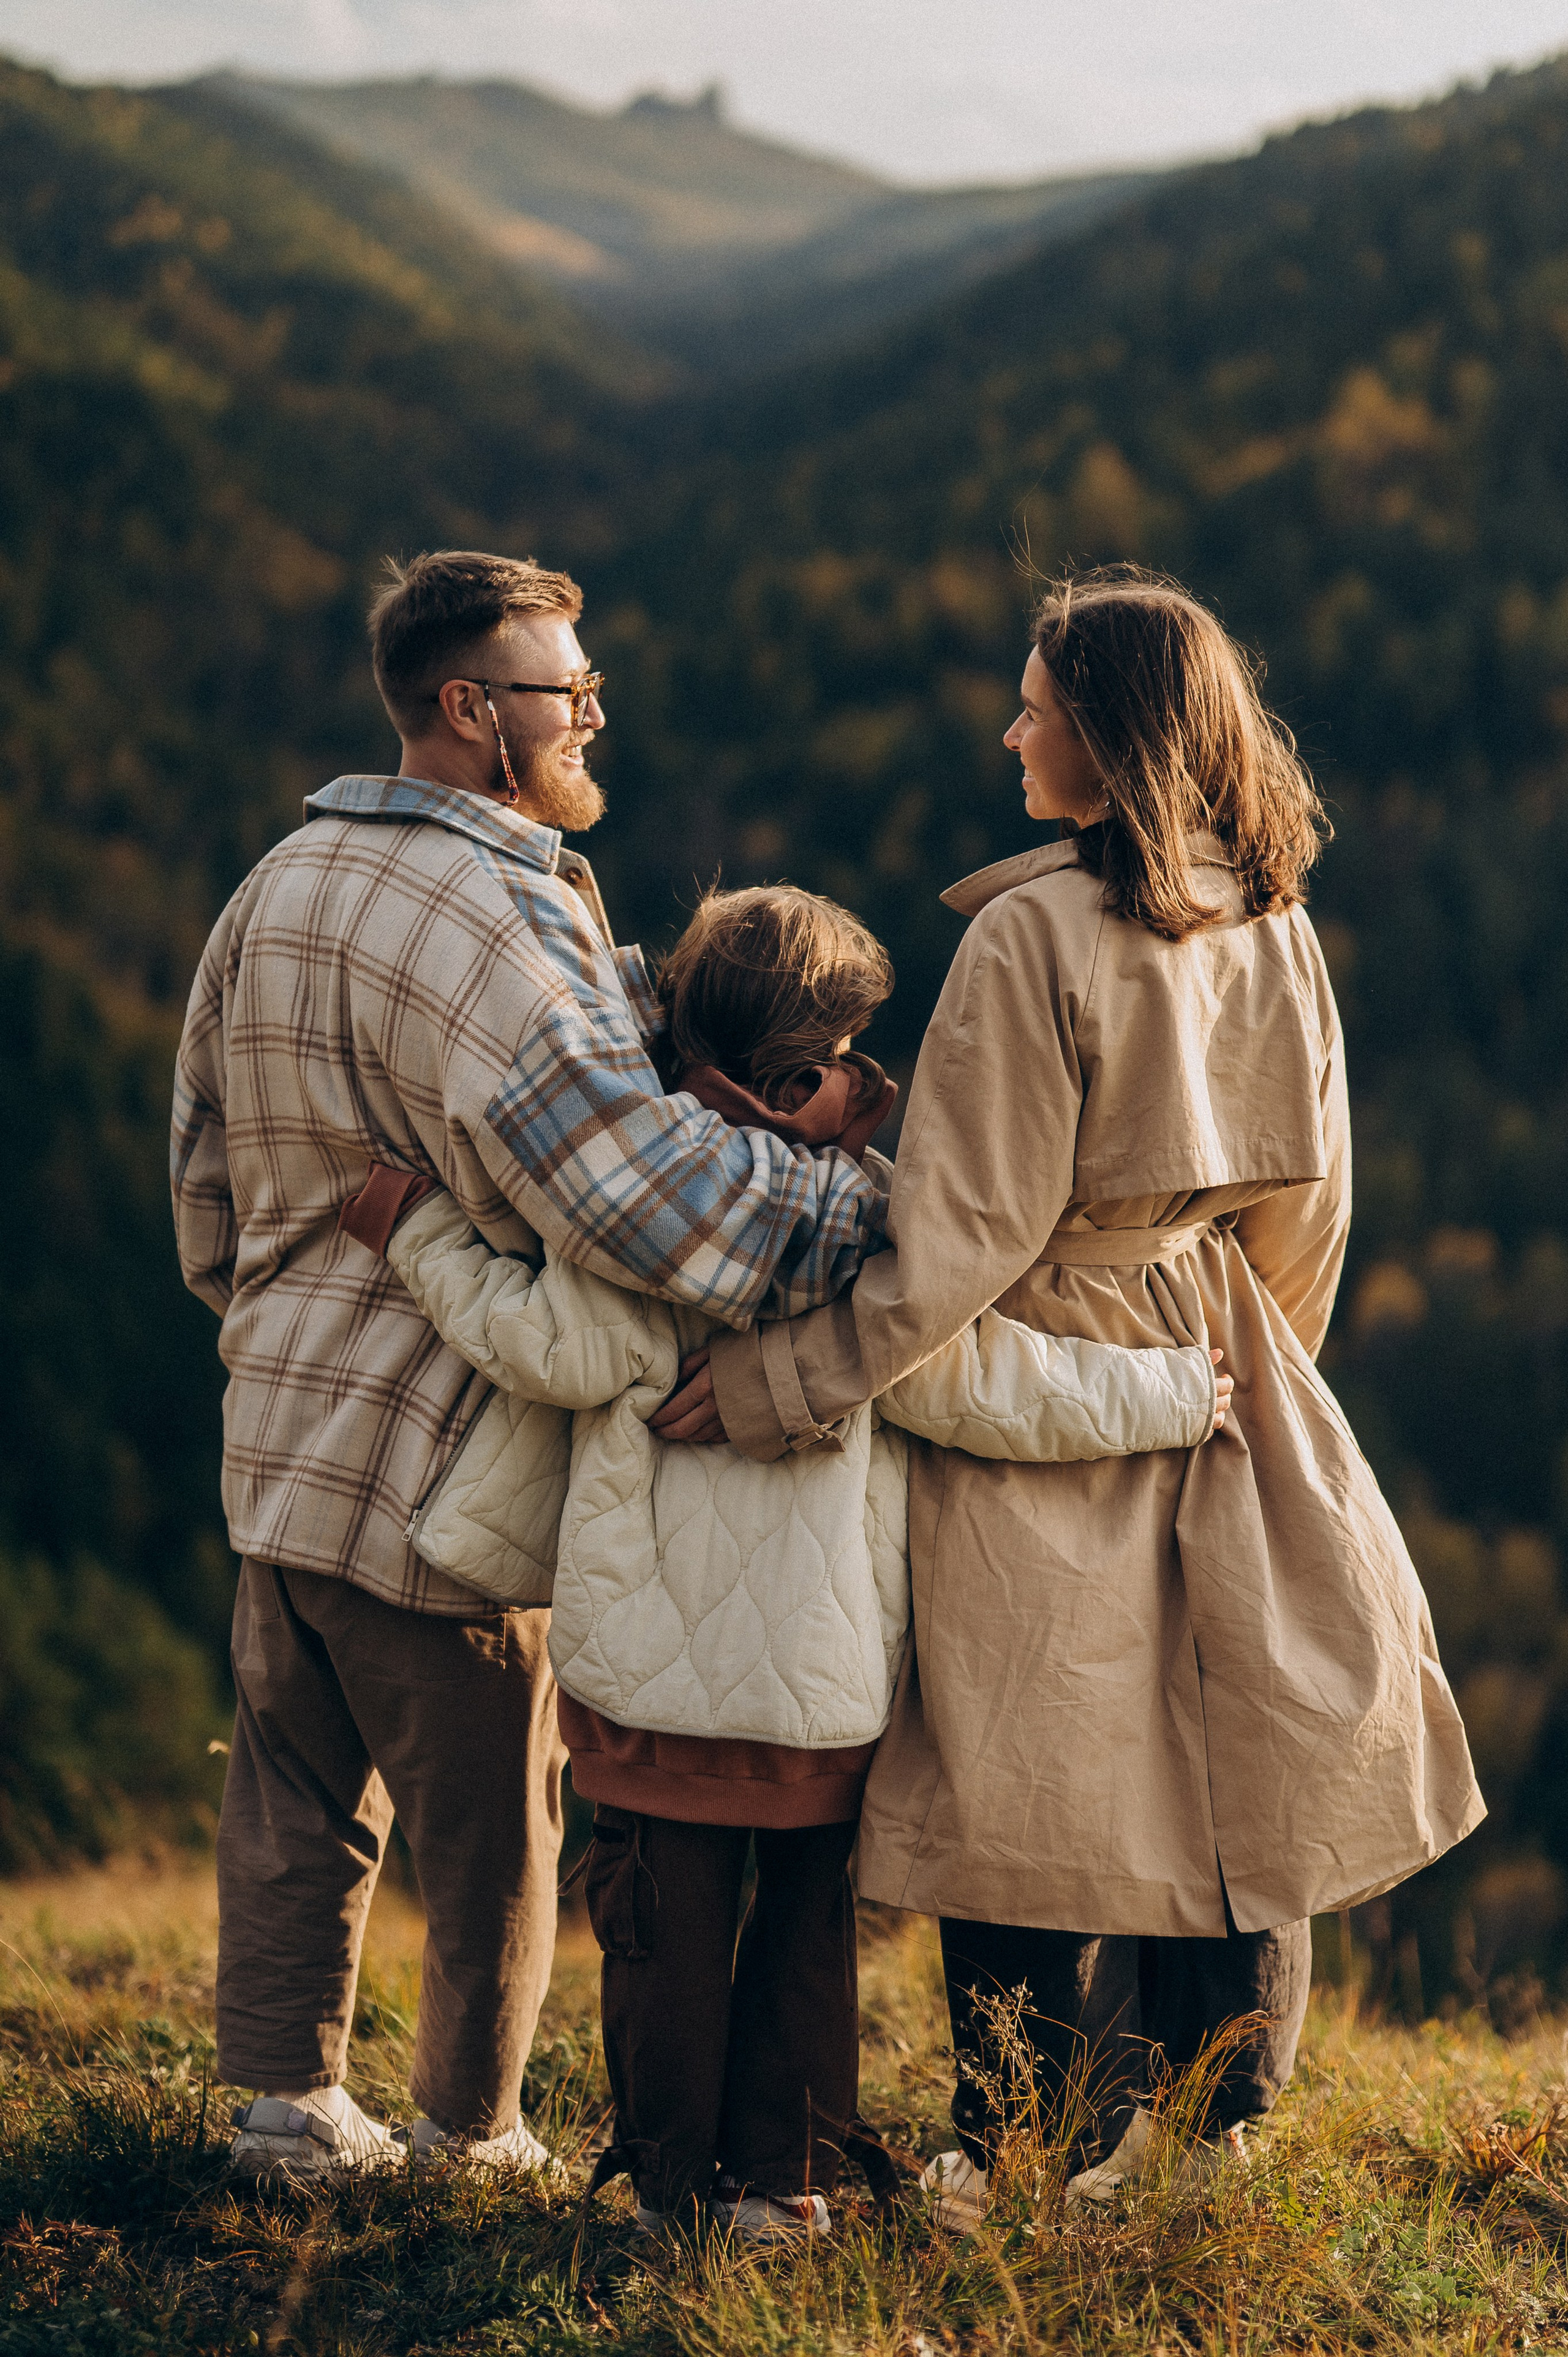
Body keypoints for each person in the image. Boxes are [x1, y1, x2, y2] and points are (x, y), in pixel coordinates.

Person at [670, 566, 1485, 2225]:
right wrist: (1261, 1380)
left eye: (1035, 705)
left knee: (1025, 1754)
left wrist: (783, 1385)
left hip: (1048, 1340)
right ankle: (1211, 2124)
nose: (1008, 728)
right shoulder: (1278, 918)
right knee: (1223, 1742)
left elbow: (957, 1237)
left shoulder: (1029, 934)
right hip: (1225, 1338)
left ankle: (1018, 2142)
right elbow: (1311, 1202)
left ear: (1103, 741)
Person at [336, 881, 1228, 2241]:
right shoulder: (874, 1250)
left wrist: (414, 1230)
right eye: (857, 1061)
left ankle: (668, 2188)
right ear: (794, 1080)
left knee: (660, 1946)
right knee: (805, 1948)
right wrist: (1170, 1395)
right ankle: (786, 2186)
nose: (877, 1083)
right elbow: (994, 1385)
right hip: (820, 1705)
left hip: (644, 1698)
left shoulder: (624, 1233)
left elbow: (534, 1339)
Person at [170, 550, 894, 2184]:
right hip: (436, 1460)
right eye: (566, 691)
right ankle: (469, 2129)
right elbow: (648, 1207)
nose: (591, 716)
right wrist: (858, 1209)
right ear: (467, 709)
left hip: (279, 1437)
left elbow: (204, 1183)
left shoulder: (276, 883)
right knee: (491, 1826)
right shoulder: (485, 912)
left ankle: (280, 2111)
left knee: (294, 1796)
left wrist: (275, 1321)